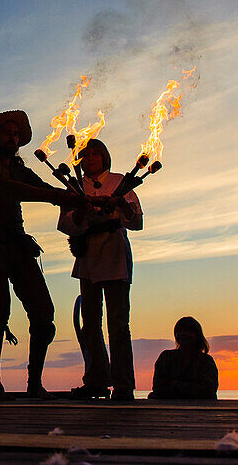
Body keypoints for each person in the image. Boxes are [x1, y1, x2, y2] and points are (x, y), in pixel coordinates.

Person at [0, 110, 81, 401]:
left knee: (44, 315)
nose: (13, 138)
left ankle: (34, 384)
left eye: (16, 134)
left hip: (17, 243)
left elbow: (39, 187)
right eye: (8, 133)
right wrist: (59, 197)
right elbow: (13, 189)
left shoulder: (17, 166)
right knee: (0, 311)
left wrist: (78, 198)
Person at [57, 139, 143, 401]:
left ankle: (123, 385)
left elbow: (137, 221)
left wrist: (123, 206)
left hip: (115, 253)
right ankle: (95, 381)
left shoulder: (120, 182)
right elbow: (66, 223)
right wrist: (82, 213)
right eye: (87, 154)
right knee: (90, 323)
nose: (91, 158)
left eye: (96, 153)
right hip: (88, 255)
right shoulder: (74, 186)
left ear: (105, 157)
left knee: (118, 323)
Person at [148, 316, 218, 399]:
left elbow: (208, 391)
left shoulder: (206, 361)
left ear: (197, 335)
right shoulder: (166, 357)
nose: (183, 334)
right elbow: (158, 388)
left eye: (188, 331)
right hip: (169, 407)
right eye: (179, 331)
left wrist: (175, 385)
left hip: (199, 408)